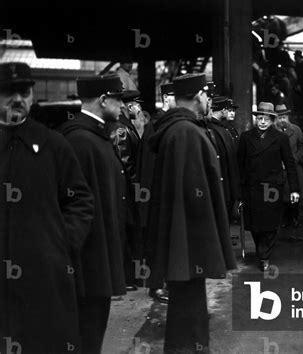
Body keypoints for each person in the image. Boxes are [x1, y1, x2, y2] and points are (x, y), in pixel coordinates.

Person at [0, 62, 94, 353]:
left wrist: (59, 244)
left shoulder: (52, 144)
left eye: (24, 91)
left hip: (45, 278)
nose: (18, 98)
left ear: (32, 95)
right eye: (8, 92)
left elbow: (80, 199)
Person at [145, 73, 236, 353]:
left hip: (184, 237)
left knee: (188, 300)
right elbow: (193, 193)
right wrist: (205, 242)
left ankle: (192, 346)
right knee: (187, 301)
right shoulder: (186, 132)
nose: (209, 100)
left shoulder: (182, 129)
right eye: (207, 95)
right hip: (190, 237)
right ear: (198, 96)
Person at [59, 74, 127, 354]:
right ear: (103, 100)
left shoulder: (91, 136)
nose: (122, 105)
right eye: (119, 99)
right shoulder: (80, 140)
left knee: (93, 327)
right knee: (86, 330)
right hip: (87, 260)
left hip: (98, 254)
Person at [237, 102, 300, 271]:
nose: (263, 122)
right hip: (252, 187)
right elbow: (240, 165)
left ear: (272, 120)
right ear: (256, 119)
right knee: (255, 225)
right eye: (259, 118)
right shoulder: (246, 137)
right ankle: (261, 250)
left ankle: (264, 256)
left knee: (271, 224)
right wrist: (240, 189)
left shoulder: (281, 138)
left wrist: (294, 189)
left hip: (272, 187)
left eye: (266, 119)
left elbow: (290, 164)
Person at [138, 83, 176, 302]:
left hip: (162, 194)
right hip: (155, 195)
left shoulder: (166, 122)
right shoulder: (157, 124)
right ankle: (156, 286)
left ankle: (163, 283)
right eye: (174, 96)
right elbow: (150, 166)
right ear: (165, 98)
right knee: (157, 243)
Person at [107, 90, 142, 291]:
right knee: (127, 233)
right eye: (137, 105)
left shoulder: (124, 126)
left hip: (125, 191)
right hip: (126, 192)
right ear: (129, 106)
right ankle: (126, 278)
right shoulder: (122, 129)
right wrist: (138, 187)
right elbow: (126, 163)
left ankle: (128, 277)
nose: (139, 109)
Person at [207, 96, 241, 219]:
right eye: (229, 109)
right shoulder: (215, 129)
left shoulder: (226, 129)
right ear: (222, 110)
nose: (231, 113)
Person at [274, 104, 303, 230]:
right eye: (279, 117)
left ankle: (294, 217)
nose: (282, 120)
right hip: (278, 168)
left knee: (294, 195)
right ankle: (282, 219)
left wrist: (295, 159)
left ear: (288, 117)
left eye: (284, 117)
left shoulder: (296, 130)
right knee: (280, 196)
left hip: (293, 168)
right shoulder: (272, 131)